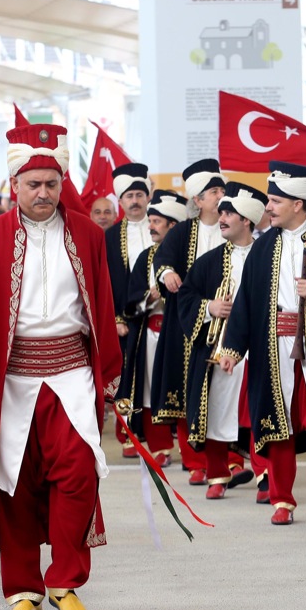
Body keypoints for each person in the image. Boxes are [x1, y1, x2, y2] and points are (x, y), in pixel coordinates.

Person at [0, 121, 123, 610]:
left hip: (71, 376)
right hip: (11, 379)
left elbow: (101, 304)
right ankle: (22, 588)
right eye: (33, 184)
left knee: (79, 472)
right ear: (13, 185)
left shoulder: (86, 234)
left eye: (51, 183)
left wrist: (108, 371)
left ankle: (65, 581)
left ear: (63, 184)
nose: (43, 193)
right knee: (13, 483)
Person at [216, 161, 306, 526]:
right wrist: (232, 349)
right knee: (277, 423)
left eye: (275, 201)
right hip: (271, 350)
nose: (269, 207)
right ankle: (282, 499)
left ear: (298, 204)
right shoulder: (263, 249)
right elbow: (245, 302)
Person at [179, 183, 266, 498]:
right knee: (215, 407)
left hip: (260, 349)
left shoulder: (268, 254)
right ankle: (217, 475)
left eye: (230, 213)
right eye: (223, 211)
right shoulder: (209, 261)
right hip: (217, 347)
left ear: (247, 220)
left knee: (261, 408)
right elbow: (186, 295)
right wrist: (209, 307)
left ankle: (265, 475)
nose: (223, 216)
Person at [151, 159, 229, 484]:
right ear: (197, 200)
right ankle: (195, 462)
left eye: (222, 189)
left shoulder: (234, 225)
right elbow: (162, 259)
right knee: (188, 391)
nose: (220, 196)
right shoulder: (184, 230)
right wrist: (167, 273)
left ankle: (230, 460)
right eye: (213, 191)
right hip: (187, 323)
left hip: (228, 319)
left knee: (226, 392)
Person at [115, 190, 188, 464]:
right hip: (149, 336)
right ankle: (161, 448)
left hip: (182, 336)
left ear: (173, 225)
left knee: (182, 391)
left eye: (157, 222)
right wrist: (150, 297)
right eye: (151, 221)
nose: (151, 227)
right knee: (147, 391)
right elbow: (129, 306)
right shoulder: (146, 258)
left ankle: (194, 456)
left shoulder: (188, 257)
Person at [105, 163, 154, 458]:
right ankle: (128, 434)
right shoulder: (110, 237)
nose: (135, 201)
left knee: (154, 377)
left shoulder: (161, 228)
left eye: (139, 194)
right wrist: (113, 319)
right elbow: (106, 282)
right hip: (125, 319)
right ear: (120, 201)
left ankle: (158, 434)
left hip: (160, 315)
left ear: (148, 197)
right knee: (127, 377)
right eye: (129, 196)